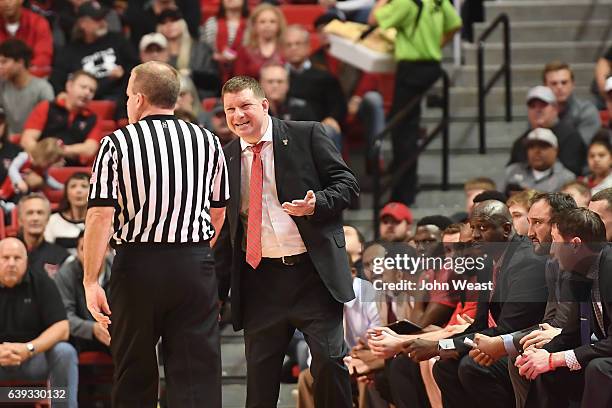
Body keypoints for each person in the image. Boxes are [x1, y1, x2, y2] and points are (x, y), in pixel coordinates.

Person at [84, 61, 228, 407]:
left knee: (134, 371)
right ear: (175, 100)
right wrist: (195, 252)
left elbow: (101, 215)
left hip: (138, 267)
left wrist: (91, 280)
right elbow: (219, 209)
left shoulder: (117, 142)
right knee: (197, 373)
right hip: (194, 264)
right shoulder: (207, 140)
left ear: (138, 99)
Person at [216, 75, 358, 407]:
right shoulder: (224, 156)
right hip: (259, 280)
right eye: (230, 109)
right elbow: (225, 233)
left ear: (264, 105)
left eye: (246, 106)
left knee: (328, 361)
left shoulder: (306, 134)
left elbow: (347, 184)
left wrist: (317, 204)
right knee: (260, 379)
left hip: (312, 274)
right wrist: (217, 294)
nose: (238, 116)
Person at [514, 208, 611, 408]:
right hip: (603, 350)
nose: (552, 251)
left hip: (605, 357)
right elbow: (571, 334)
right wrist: (541, 356)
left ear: (575, 245)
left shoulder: (609, 267)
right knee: (541, 365)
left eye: (556, 241)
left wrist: (555, 359)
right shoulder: (578, 273)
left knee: (598, 367)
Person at [368, 0, 461, 205]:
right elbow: (455, 24)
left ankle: (403, 193)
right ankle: (404, 186)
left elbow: (373, 19)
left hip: (411, 69)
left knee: (402, 130)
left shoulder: (405, 2)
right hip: (432, 66)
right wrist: (434, 46)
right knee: (405, 125)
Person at [0, 237, 78, 408]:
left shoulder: (41, 281)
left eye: (17, 258)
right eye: (5, 258)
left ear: (26, 261)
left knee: (65, 352)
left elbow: (62, 328)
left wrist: (28, 349)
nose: (11, 263)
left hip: (33, 357)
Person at [50, 1, 138, 102]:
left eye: (103, 18)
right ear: (83, 24)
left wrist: (124, 75)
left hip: (120, 99)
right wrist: (62, 94)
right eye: (97, 19)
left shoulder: (118, 40)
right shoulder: (69, 51)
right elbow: (56, 80)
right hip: (85, 103)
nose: (103, 22)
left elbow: (136, 67)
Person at [284, 24, 346, 151]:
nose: (293, 48)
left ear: (308, 47)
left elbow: (339, 105)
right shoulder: (276, 77)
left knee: (328, 131)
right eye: (289, 45)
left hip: (317, 130)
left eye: (298, 44)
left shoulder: (325, 76)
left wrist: (332, 118)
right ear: (282, 49)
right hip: (284, 130)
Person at [21, 70, 102, 166]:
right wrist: (44, 155)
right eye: (83, 87)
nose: (87, 93)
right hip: (41, 164)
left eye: (91, 90)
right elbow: (27, 139)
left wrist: (59, 151)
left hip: (73, 168)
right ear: (69, 86)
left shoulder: (93, 118)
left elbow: (90, 149)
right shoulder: (47, 107)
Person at [54, 231, 111, 353]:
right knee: (64, 345)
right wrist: (92, 328)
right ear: (77, 253)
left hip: (112, 331)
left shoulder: (118, 271)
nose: (88, 254)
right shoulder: (65, 274)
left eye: (95, 247)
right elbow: (64, 316)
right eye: (83, 249)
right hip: (79, 336)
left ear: (107, 250)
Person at [509, 86, 586, 176]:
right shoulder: (520, 143)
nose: (538, 110)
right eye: (532, 106)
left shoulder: (570, 137)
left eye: (543, 105)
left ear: (555, 109)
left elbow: (573, 173)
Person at [156, 7, 220, 96]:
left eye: (174, 20)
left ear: (183, 23)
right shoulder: (155, 52)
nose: (169, 25)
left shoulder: (201, 49)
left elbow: (213, 81)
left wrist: (191, 75)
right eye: (164, 22)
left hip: (199, 100)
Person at [0, 39, 54, 135]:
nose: (0, 66)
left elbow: (50, 124)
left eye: (4, 62)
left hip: (34, 143)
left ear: (20, 62)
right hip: (7, 144)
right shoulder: (2, 85)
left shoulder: (43, 89)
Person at [542, 61, 600, 146]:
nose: (559, 87)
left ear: (572, 84)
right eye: (554, 83)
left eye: (564, 82)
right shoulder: (538, 112)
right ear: (545, 86)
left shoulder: (586, 111)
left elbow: (580, 148)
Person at [504, 127, 576, 193]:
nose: (536, 151)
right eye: (531, 146)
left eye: (543, 146)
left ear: (555, 150)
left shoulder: (567, 179)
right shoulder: (512, 171)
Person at [18, 193, 69, 279]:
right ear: (20, 220)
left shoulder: (61, 256)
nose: (35, 218)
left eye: (40, 213)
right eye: (30, 213)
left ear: (48, 219)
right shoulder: (5, 253)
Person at [0, 0, 53, 77]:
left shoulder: (38, 23)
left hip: (31, 79)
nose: (7, 2)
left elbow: (43, 60)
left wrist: (21, 75)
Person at [233, 3, 286, 79]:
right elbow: (239, 81)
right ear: (254, 25)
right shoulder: (244, 51)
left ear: (279, 25)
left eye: (272, 21)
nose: (267, 25)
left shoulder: (286, 48)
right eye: (262, 22)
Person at [201, 0, 249, 82]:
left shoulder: (251, 24)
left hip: (245, 71)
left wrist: (238, 59)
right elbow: (204, 50)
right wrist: (218, 57)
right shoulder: (212, 22)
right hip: (215, 72)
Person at [45, 172, 89, 253]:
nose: (78, 191)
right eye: (73, 186)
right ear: (66, 193)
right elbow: (47, 252)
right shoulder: (53, 220)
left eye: (84, 186)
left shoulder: (102, 221)